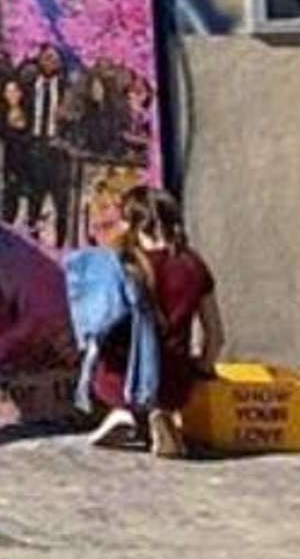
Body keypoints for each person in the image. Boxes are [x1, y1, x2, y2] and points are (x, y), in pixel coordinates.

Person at [85, 181, 221, 455]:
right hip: (175, 382)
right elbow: (216, 336)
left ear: (131, 223)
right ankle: (163, 412)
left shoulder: (121, 263)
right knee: (171, 369)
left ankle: (126, 412)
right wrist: (202, 369)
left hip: (119, 380)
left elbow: (97, 328)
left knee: (108, 358)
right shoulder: (194, 265)